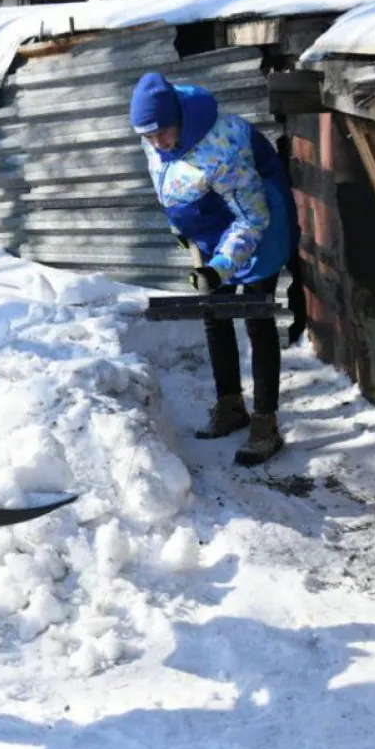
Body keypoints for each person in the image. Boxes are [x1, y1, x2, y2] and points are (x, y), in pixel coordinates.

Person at [130, 72, 299, 466]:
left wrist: (220, 267)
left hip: (261, 227)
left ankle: (265, 423)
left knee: (257, 318)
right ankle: (230, 405)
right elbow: (169, 178)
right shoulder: (156, 135)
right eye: (148, 136)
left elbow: (251, 220)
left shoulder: (222, 148)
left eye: (161, 134)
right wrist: (183, 229)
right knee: (214, 314)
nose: (156, 144)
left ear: (178, 121)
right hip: (212, 227)